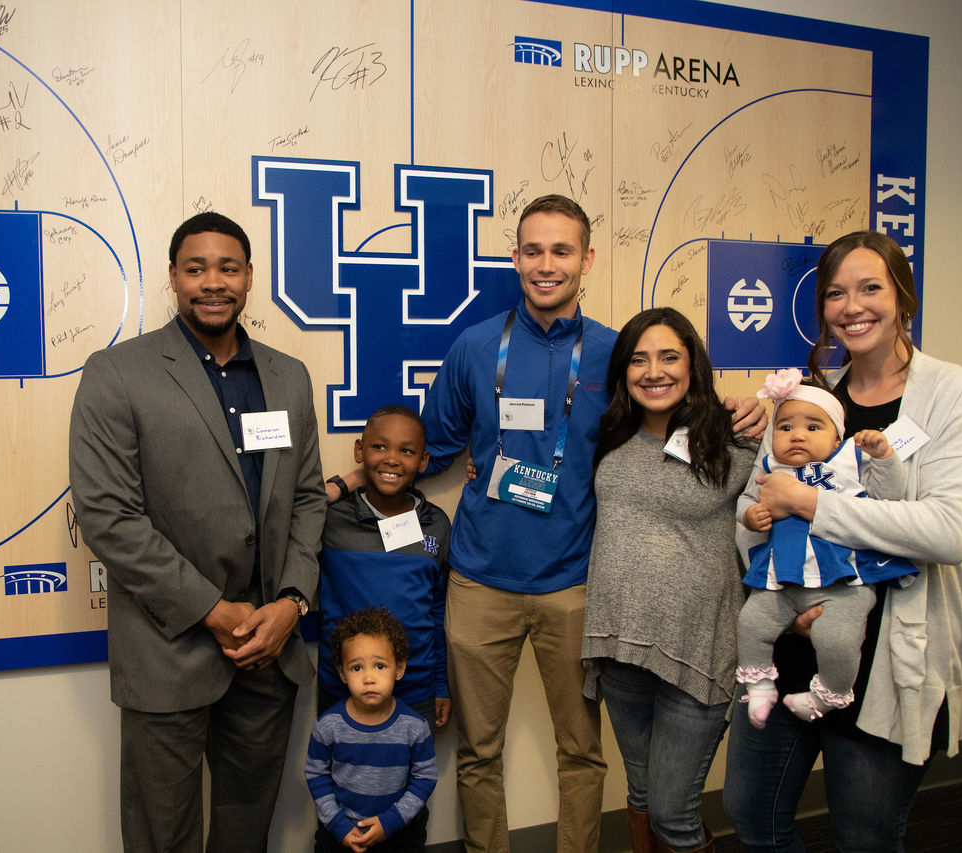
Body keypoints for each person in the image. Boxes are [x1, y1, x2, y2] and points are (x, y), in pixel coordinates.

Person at [323, 195, 766, 853]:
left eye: (562, 250)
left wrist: (743, 411)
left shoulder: (618, 353)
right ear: (517, 258)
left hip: (577, 583)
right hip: (479, 580)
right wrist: (349, 480)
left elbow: (671, 416)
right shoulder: (476, 347)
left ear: (587, 259)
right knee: (478, 749)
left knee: (581, 751)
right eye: (533, 250)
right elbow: (426, 448)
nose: (546, 264)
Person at [722, 231, 962, 852]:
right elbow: (752, 503)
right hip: (790, 640)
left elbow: (948, 531)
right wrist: (787, 589)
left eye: (870, 288)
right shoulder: (816, 399)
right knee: (751, 814)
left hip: (886, 658)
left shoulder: (955, 394)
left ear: (903, 297)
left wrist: (811, 505)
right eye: (836, 293)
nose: (852, 307)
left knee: (863, 835)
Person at [68, 211, 326, 853]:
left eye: (228, 268)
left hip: (267, 647)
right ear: (174, 278)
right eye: (196, 268)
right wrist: (212, 610)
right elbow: (107, 515)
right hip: (168, 646)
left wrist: (291, 603)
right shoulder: (117, 372)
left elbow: (306, 499)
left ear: (248, 278)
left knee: (246, 827)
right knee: (163, 834)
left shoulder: (289, 376)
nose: (213, 282)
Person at [583, 307, 758, 853]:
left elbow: (802, 482)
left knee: (672, 812)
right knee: (640, 793)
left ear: (692, 365)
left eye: (668, 357)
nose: (653, 371)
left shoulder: (737, 439)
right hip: (618, 642)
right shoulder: (610, 435)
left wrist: (769, 410)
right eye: (638, 359)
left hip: (697, 646)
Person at [735, 369, 918, 729]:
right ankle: (759, 686)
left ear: (837, 438)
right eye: (785, 427)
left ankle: (827, 696)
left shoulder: (851, 462)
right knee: (750, 623)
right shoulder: (771, 468)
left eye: (813, 427)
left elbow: (889, 496)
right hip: (783, 581)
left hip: (842, 583)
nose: (797, 435)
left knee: (836, 640)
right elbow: (746, 500)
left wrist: (884, 457)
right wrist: (750, 516)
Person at [317, 405, 452, 740]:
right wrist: (345, 483)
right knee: (340, 771)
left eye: (406, 451)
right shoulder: (331, 520)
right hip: (343, 688)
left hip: (416, 690)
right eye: (379, 447)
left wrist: (440, 684)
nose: (392, 459)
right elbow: (290, 508)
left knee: (414, 772)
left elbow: (438, 611)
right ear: (359, 451)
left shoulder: (436, 524)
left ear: (423, 461)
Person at [306, 606, 438, 853]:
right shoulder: (328, 725)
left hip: (397, 833)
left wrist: (392, 821)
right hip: (340, 833)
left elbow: (426, 776)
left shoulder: (414, 727)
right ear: (342, 673)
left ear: (399, 668)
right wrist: (338, 825)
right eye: (357, 668)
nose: (369, 678)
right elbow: (316, 774)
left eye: (380, 666)